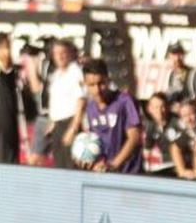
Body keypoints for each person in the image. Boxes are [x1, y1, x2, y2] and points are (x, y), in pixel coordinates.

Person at [70, 58, 143, 173]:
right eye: (91, 85)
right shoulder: (90, 108)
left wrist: (113, 164)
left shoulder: (124, 101)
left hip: (129, 174)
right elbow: (96, 142)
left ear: (108, 80)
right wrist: (86, 157)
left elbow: (134, 137)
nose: (97, 89)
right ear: (85, 84)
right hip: (104, 174)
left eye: (101, 83)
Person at [47, 40, 86, 169]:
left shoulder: (75, 72)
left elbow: (81, 101)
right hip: (58, 125)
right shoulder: (56, 75)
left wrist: (73, 128)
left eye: (63, 52)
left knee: (70, 166)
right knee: (59, 165)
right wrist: (53, 123)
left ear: (69, 53)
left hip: (70, 124)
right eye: (56, 53)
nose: (60, 56)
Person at [142, 91, 182, 176]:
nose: (160, 111)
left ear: (167, 107)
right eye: (156, 107)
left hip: (180, 165)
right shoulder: (151, 127)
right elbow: (147, 149)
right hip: (164, 166)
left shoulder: (178, 123)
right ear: (149, 109)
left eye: (162, 107)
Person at [165, 42, 196, 112]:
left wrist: (186, 106)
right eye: (174, 55)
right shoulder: (171, 75)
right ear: (169, 56)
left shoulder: (195, 75)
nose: (177, 58)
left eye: (180, 54)